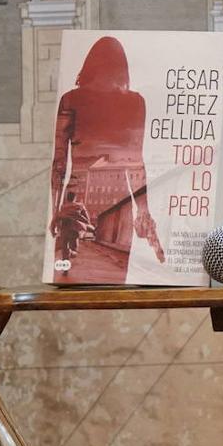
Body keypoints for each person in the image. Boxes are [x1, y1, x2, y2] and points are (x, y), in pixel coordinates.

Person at [50, 36, 163, 283]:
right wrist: (143, 210)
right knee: (115, 283)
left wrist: (54, 210)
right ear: (122, 68)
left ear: (89, 66)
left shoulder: (69, 100)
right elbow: (137, 162)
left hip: (74, 197)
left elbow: (59, 163)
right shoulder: (136, 102)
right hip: (120, 198)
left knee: (66, 275)